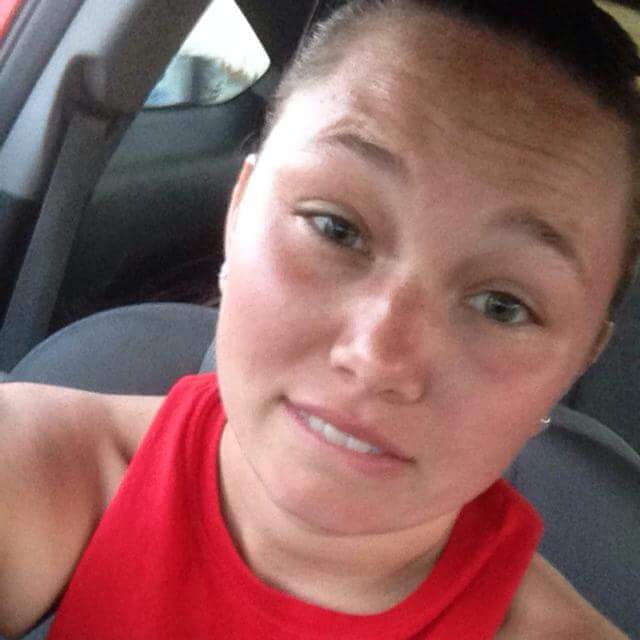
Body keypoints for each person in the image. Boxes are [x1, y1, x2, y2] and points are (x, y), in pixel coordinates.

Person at [0, 0, 637, 638]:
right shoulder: (44, 465)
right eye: (335, 228)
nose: (378, 358)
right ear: (238, 213)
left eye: (502, 307)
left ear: (576, 363)